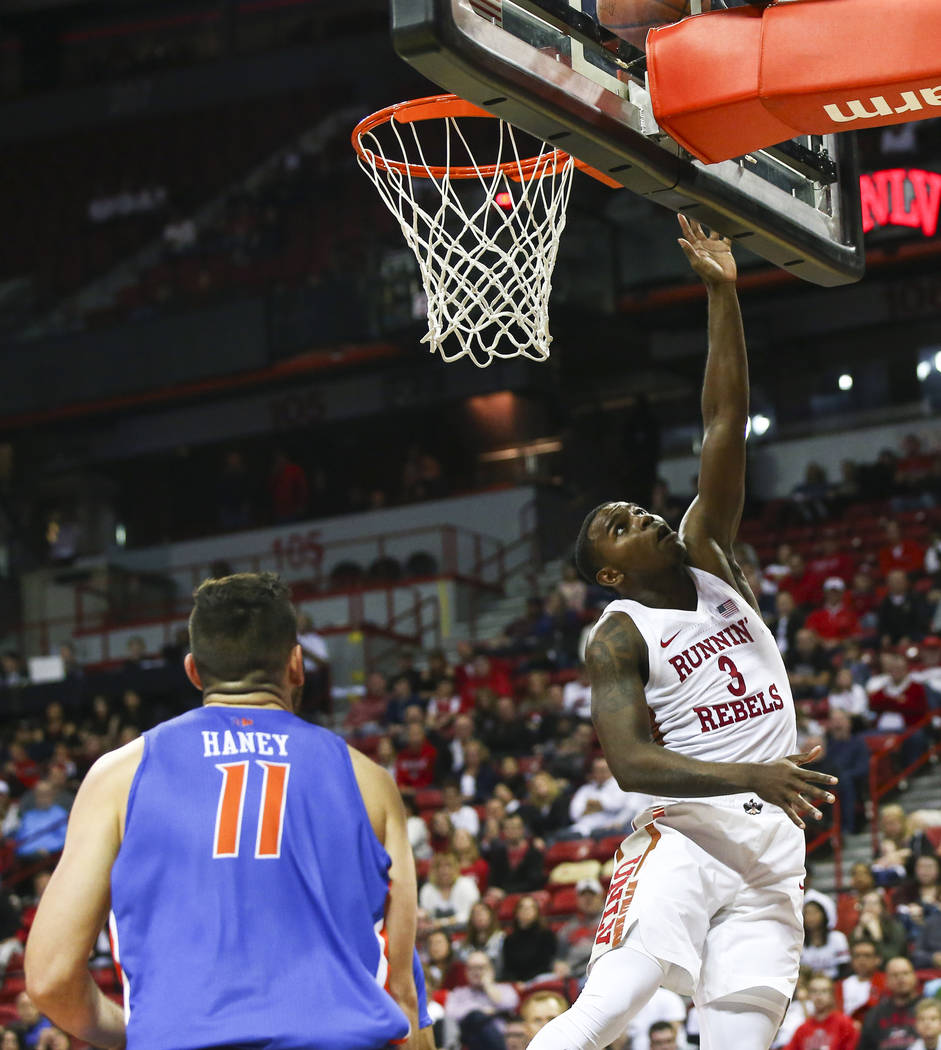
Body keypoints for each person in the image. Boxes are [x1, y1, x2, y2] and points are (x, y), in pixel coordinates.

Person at [530, 217, 838, 1050]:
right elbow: (630, 764)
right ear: (610, 576)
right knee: (607, 1010)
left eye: (633, 508)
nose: (638, 512)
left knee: (742, 1036)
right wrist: (755, 774)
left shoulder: (710, 554)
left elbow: (722, 423)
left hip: (772, 844)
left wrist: (721, 293)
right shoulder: (618, 635)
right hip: (686, 832)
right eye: (616, 526)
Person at [24, 572, 421, 1050]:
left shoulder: (118, 777)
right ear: (297, 664)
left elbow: (49, 978)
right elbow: (403, 993)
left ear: (194, 671)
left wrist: (140, 1035)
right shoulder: (370, 782)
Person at [857, 956, 920, 1050]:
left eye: (905, 973)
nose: (901, 978)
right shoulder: (874, 1014)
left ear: (915, 977)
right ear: (886, 981)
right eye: (895, 975)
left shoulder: (930, 1009)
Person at [783, 974, 857, 1050]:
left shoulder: (845, 1023)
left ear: (831, 995)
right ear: (809, 995)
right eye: (814, 991)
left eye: (824, 991)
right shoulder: (803, 1028)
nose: (819, 996)